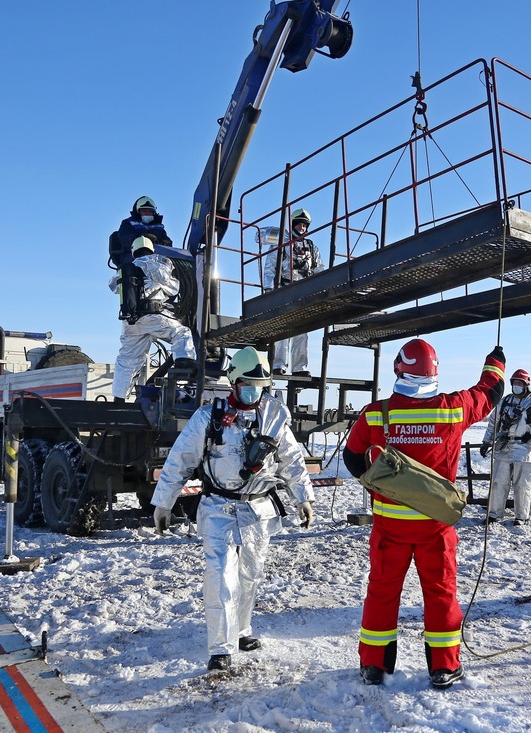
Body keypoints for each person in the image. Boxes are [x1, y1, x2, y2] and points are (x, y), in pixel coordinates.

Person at [342, 338, 505, 690]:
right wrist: (495, 361)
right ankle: (443, 667)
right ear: (434, 372)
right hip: (436, 527)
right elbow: (491, 392)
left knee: (382, 593)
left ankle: (374, 665)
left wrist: (378, 488)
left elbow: (353, 458)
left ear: (399, 369)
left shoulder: (375, 412)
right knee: (441, 593)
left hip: (389, 529)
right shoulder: (454, 409)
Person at [150, 346, 314, 673]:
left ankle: (240, 631)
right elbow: (180, 461)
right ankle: (220, 649)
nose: (255, 390)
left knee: (248, 576)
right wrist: (163, 502)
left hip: (258, 510)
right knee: (221, 578)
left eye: (261, 385)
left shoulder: (274, 417)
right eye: (248, 383)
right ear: (234, 382)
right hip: (218, 509)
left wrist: (303, 497)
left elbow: (292, 460)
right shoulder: (208, 418)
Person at [108, 236, 196, 401]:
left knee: (127, 360)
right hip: (153, 315)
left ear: (134, 251)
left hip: (131, 321)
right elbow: (173, 288)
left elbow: (113, 286)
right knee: (182, 333)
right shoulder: (157, 262)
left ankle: (118, 399)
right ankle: (184, 364)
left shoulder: (126, 267)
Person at [479, 368, 531, 525]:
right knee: (497, 483)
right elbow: (493, 424)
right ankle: (494, 514)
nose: (516, 385)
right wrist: (486, 441)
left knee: (522, 485)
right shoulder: (504, 402)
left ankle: (521, 517)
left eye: (519, 383)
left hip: (524, 449)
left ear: (526, 385)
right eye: (514, 382)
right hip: (503, 447)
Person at [262, 208, 323, 376]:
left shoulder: (311, 247)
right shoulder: (281, 243)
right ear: (293, 224)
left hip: (303, 292)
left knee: (302, 332)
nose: (302, 228)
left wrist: (321, 288)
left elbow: (320, 269)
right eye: (299, 224)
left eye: (305, 225)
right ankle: (278, 365)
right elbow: (270, 267)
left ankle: (299, 368)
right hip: (284, 290)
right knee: (282, 329)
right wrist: (268, 289)